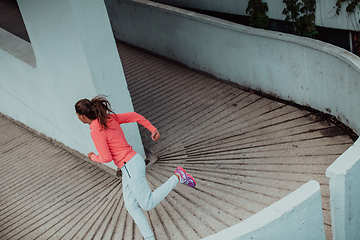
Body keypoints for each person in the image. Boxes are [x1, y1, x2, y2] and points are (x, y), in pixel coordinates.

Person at [75, 95, 195, 240]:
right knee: (131, 205)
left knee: (147, 203)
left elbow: (106, 158)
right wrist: (152, 128)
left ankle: (178, 176)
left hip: (129, 166)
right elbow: (134, 115)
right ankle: (148, 237)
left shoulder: (95, 130)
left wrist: (93, 156)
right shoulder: (109, 118)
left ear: (82, 116)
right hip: (131, 163)